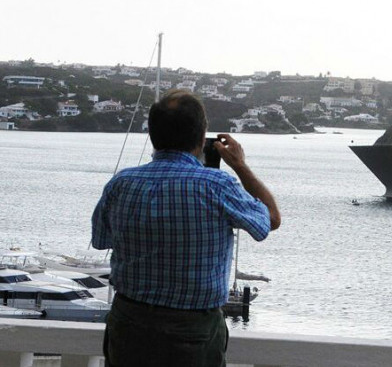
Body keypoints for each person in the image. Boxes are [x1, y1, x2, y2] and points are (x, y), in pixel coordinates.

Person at [92, 90, 281, 367]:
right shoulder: (217, 184)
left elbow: (101, 240)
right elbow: (270, 220)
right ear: (201, 137)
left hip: (129, 325)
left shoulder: (121, 184)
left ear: (153, 134)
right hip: (193, 329)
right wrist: (239, 165)